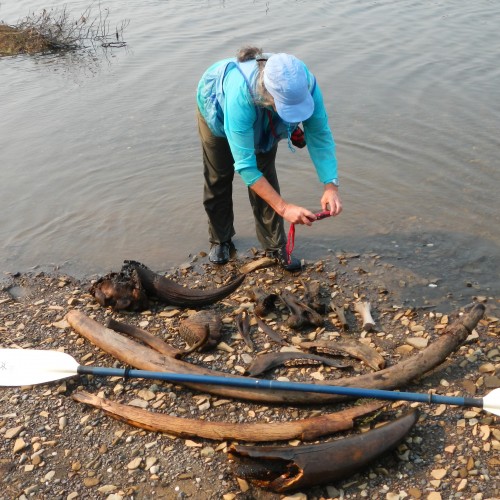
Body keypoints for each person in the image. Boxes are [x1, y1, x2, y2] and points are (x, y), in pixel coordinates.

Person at [196, 46, 342, 271]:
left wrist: (330, 186)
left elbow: (320, 134)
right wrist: (284, 209)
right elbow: (246, 167)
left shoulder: (306, 83)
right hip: (218, 110)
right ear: (269, 96)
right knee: (219, 176)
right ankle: (220, 239)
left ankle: (274, 246)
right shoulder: (240, 96)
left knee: (265, 173)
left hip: (264, 110)